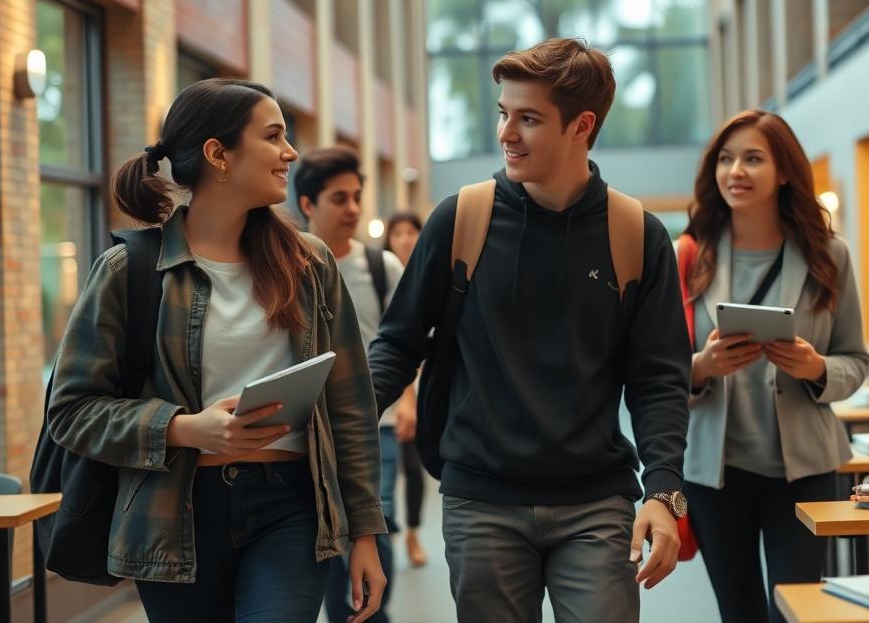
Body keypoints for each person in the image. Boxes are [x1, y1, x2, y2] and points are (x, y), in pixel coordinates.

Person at [370, 37, 692, 623]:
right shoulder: (461, 219)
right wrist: (327, 429)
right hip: (480, 500)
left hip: (598, 502)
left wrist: (665, 493)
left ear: (581, 125)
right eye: (503, 114)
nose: (506, 134)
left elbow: (660, 379)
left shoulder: (636, 235)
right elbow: (398, 345)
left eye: (529, 118)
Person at [46, 78, 387, 622]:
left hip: (292, 507)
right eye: (274, 136)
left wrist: (366, 532)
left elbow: (349, 403)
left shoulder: (310, 263)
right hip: (173, 514)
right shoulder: (127, 271)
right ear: (217, 154)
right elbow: (71, 410)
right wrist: (184, 428)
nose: (290, 152)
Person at [677, 109, 869, 623]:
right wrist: (701, 366)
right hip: (713, 474)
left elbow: (856, 359)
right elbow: (657, 370)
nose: (735, 170)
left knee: (796, 613)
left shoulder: (830, 255)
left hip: (804, 469)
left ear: (784, 170)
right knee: (739, 613)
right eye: (726, 159)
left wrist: (816, 368)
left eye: (753, 159)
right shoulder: (689, 256)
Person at [295, 146, 413, 623]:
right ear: (307, 204)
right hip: (305, 433)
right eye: (338, 198)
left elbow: (406, 343)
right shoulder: (288, 266)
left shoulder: (382, 268)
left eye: (357, 197)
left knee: (373, 523)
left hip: (374, 425)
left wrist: (408, 403)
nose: (352, 209)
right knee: (321, 537)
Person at [382, 210, 429, 568]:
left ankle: (412, 533)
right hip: (393, 382)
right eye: (397, 233)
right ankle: (392, 534)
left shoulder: (431, 269)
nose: (404, 239)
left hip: (422, 386)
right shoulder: (381, 271)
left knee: (413, 466)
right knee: (386, 471)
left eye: (410, 232)